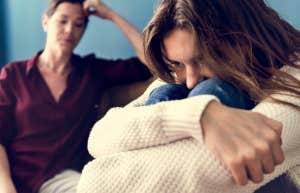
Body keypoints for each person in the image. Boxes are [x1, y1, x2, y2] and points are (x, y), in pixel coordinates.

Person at [77, 0, 300, 192]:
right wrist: (199, 116)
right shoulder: (180, 77)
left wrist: (203, 104)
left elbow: (96, 184)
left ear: (245, 41)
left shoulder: (294, 77)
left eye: (204, 59)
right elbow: (99, 137)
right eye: (177, 63)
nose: (191, 79)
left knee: (211, 90)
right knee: (169, 91)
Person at [0, 0, 152, 193]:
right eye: (63, 21)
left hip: (62, 180)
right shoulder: (14, 74)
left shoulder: (92, 72)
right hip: (11, 178)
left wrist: (111, 15)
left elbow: (151, 62)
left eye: (78, 24)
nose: (70, 30)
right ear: (46, 22)